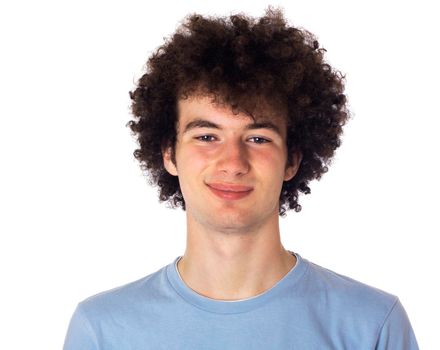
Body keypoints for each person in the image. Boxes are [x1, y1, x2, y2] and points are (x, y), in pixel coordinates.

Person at [63, 7, 419, 349]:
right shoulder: (103, 331)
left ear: (292, 159)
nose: (233, 162)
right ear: (169, 153)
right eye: (206, 136)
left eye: (258, 138)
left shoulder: (372, 325)